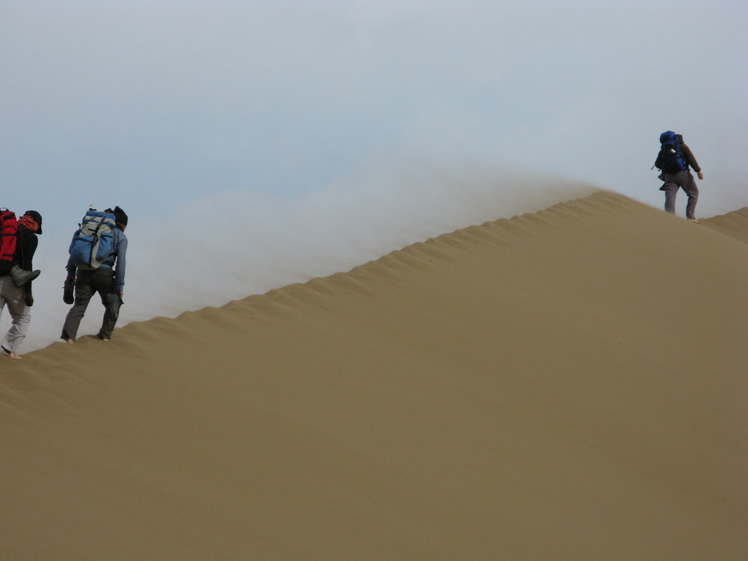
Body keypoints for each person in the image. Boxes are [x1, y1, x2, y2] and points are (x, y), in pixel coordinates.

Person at [61, 206, 128, 343]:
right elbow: (121, 262)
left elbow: (75, 253)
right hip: (104, 273)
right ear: (122, 224)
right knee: (113, 303)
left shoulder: (90, 231)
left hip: (83, 272)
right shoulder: (120, 236)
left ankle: (69, 338)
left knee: (80, 305)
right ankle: (105, 336)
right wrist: (119, 287)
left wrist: (71, 274)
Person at [0, 210, 43, 359]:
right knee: (23, 317)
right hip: (14, 283)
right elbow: (27, 265)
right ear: (35, 223)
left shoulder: (6, 230)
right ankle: (10, 349)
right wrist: (28, 292)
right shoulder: (30, 237)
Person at [655, 131, 704, 223]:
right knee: (693, 193)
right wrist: (698, 171)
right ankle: (690, 217)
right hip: (683, 174)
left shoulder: (663, 150)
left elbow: (657, 164)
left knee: (670, 197)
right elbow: (691, 158)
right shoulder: (681, 146)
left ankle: (670, 218)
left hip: (668, 176)